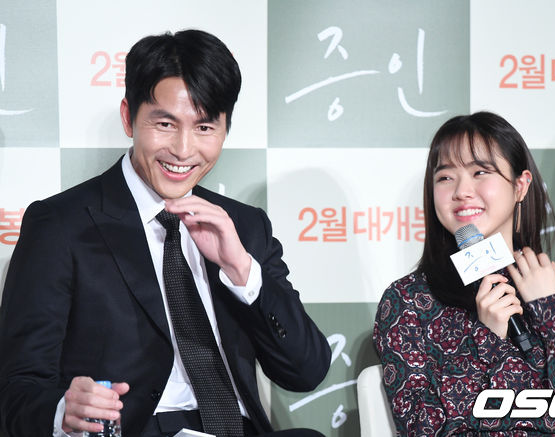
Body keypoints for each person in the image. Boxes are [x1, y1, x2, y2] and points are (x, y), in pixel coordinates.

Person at [0, 29, 330, 437]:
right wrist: (63, 410)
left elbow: (307, 371)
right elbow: (16, 389)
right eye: (165, 123)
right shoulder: (60, 225)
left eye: (205, 128)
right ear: (128, 117)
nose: (183, 149)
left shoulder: (243, 226)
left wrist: (241, 270)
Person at [373, 112, 555, 436]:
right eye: (445, 177)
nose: (462, 191)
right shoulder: (409, 302)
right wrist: (485, 341)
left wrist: (554, 312)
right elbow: (422, 430)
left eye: (480, 172)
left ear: (520, 185)